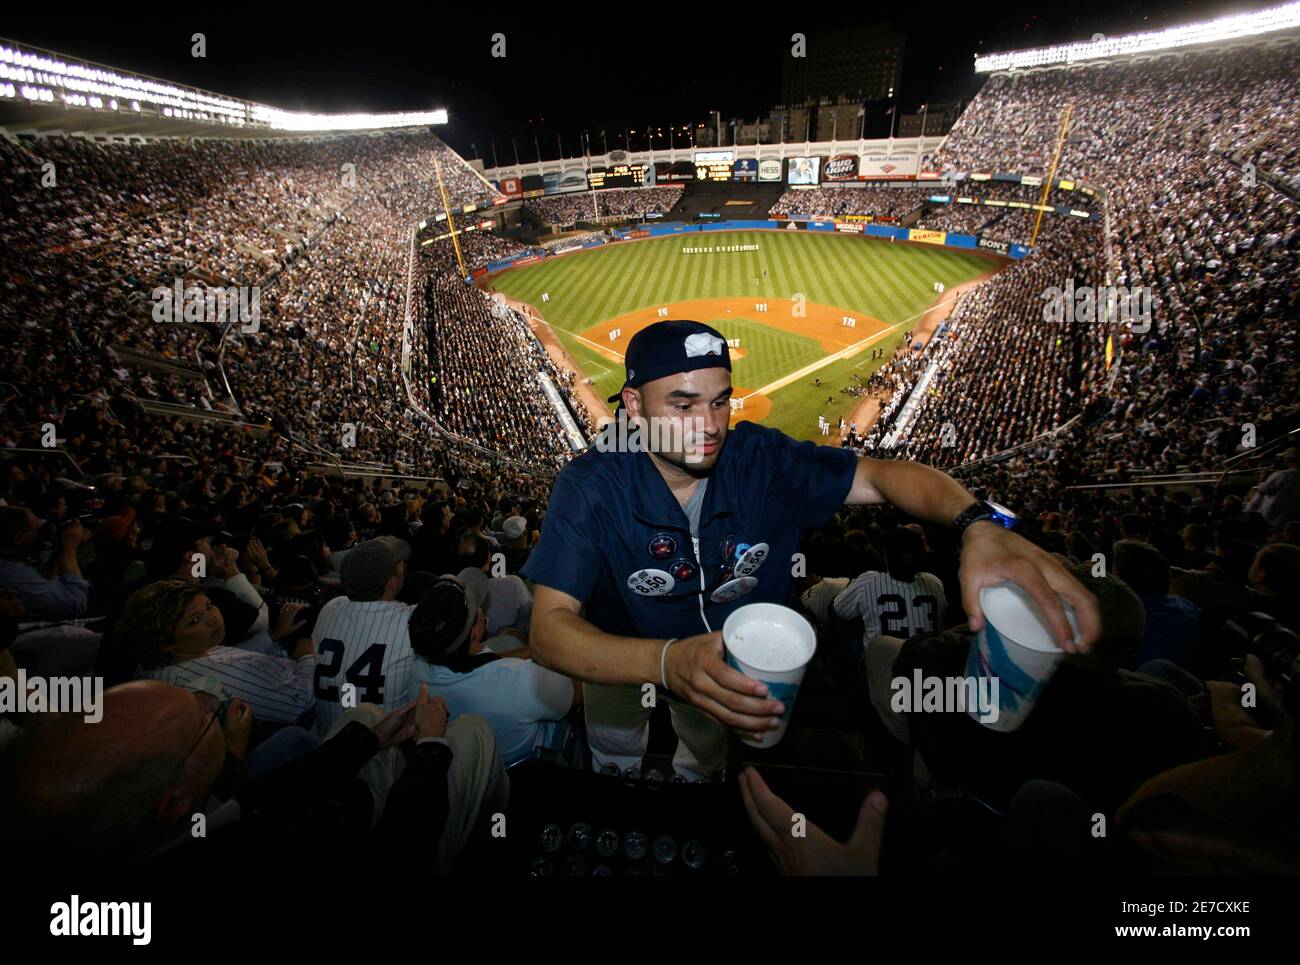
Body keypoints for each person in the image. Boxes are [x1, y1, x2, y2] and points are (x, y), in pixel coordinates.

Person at [524, 320, 1099, 780]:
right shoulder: (590, 482)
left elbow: (880, 476)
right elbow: (549, 631)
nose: (709, 425)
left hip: (724, 671)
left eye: (721, 401)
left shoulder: (762, 459)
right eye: (682, 404)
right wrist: (668, 662)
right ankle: (615, 778)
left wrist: (979, 523)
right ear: (633, 405)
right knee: (615, 742)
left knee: (700, 755)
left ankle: (693, 787)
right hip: (617, 653)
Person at [407, 574, 579, 765]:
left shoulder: (418, 671)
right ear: (475, 632)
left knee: (510, 636)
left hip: (465, 768)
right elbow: (580, 689)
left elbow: (483, 664)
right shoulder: (520, 681)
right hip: (529, 765)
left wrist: (532, 652)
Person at [309, 536, 417, 736]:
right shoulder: (410, 620)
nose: (405, 567)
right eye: (401, 565)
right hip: (381, 752)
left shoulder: (330, 609)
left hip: (323, 742)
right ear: (392, 583)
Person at [832, 526, 947, 652]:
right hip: (926, 663)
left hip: (884, 665)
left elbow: (839, 610)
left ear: (886, 557)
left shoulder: (868, 581)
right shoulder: (934, 583)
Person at [0, 506, 90, 619]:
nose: (42, 534)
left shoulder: (14, 560)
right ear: (18, 538)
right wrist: (68, 550)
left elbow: (48, 574)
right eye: (38, 529)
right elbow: (75, 604)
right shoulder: (11, 574)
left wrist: (59, 549)